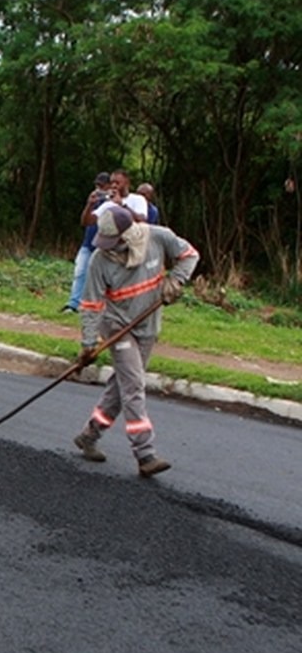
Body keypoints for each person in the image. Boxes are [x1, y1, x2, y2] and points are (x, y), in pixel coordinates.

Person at [73, 205, 199, 477]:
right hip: (116, 325)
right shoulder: (99, 260)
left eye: (113, 243)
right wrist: (88, 344)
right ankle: (145, 454)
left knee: (121, 386)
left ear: (128, 236)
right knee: (134, 385)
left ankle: (89, 435)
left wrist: (176, 280)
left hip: (147, 324)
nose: (108, 249)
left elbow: (190, 255)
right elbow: (91, 304)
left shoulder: (158, 237)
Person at [62, 172, 114, 314]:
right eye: (97, 185)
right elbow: (84, 221)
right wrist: (89, 204)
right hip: (89, 243)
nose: (98, 188)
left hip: (106, 246)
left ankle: (101, 306)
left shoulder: (116, 201)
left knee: (106, 279)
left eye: (102, 186)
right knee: (80, 272)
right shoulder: (95, 200)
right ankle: (74, 303)